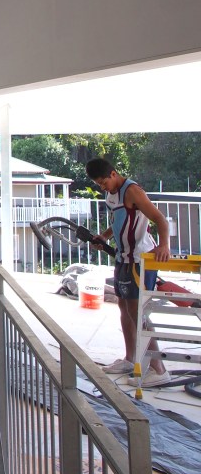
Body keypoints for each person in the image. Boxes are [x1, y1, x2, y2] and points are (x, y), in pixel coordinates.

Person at [85, 157, 171, 388]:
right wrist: (104, 236)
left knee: (138, 312)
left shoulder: (132, 191)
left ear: (113, 174)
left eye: (104, 182)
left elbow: (160, 219)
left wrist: (164, 245)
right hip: (123, 257)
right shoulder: (111, 194)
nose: (103, 187)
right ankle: (131, 359)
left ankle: (158, 369)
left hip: (140, 259)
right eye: (99, 185)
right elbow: (118, 221)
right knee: (123, 307)